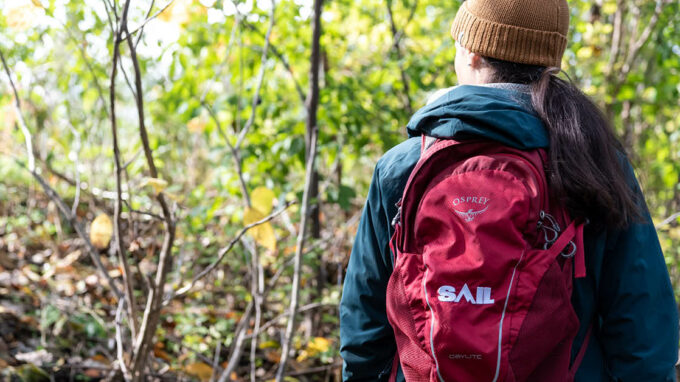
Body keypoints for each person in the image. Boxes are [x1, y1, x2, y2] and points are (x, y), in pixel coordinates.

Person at [339, 0, 679, 381]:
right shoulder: (591, 161)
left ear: (470, 50)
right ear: (550, 63)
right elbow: (642, 327)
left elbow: (364, 329)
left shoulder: (402, 167)